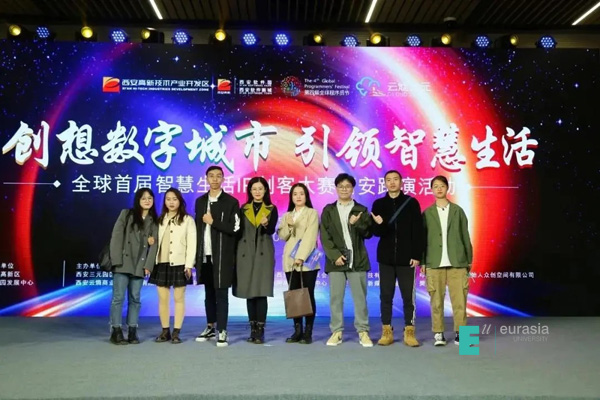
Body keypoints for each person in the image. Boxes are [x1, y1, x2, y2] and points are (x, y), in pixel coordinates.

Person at [320, 173, 374, 347]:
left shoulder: (361, 209)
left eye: (348, 186)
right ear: (336, 188)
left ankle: (363, 331)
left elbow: (368, 233)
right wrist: (335, 255)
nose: (344, 189)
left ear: (353, 189)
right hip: (336, 261)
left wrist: (356, 224)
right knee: (336, 298)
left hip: (357, 260)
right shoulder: (329, 210)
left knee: (360, 298)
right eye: (341, 186)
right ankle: (337, 332)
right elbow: (325, 236)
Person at [371, 170, 424, 347]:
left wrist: (416, 255)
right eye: (388, 180)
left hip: (407, 258)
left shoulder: (411, 203)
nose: (392, 182)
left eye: (395, 179)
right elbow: (376, 232)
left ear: (401, 182)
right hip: (385, 258)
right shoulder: (379, 204)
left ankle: (409, 330)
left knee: (408, 296)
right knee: (386, 295)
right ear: (385, 183)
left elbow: (418, 231)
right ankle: (387, 330)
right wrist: (380, 224)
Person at [422, 175, 473, 346]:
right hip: (434, 262)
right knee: (436, 301)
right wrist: (423, 262)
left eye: (442, 186)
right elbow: (422, 240)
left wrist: (468, 259)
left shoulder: (458, 211)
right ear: (431, 190)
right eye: (435, 186)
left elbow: (465, 235)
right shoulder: (427, 213)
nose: (439, 189)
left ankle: (462, 335)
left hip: (457, 262)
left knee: (460, 300)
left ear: (447, 188)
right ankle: (439, 334)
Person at [194, 166, 240, 347]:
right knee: (209, 293)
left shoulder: (231, 202)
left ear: (223, 179)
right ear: (206, 178)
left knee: (221, 293)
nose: (214, 179)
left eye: (218, 176)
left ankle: (222, 329)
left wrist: (214, 222)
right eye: (211, 176)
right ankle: (210, 326)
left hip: (222, 255)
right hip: (204, 255)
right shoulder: (200, 201)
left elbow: (235, 228)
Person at [109, 188, 159, 345]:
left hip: (140, 264)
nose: (147, 201)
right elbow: (116, 236)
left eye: (150, 198)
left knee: (135, 298)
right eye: (143, 198)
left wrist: (148, 265)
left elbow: (155, 245)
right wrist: (116, 260)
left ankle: (132, 330)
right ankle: (116, 330)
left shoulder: (154, 220)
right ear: (138, 200)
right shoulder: (126, 214)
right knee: (118, 297)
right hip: (123, 262)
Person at [148, 188, 197, 344]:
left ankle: (176, 331)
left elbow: (192, 244)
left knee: (178, 298)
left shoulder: (188, 220)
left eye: (174, 199)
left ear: (180, 201)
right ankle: (165, 331)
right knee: (163, 299)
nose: (171, 202)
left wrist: (189, 265)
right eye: (168, 199)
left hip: (180, 263)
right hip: (161, 263)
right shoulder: (159, 220)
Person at [234, 176, 278, 344]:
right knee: (249, 292)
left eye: (260, 188)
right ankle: (252, 328)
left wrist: (266, 223)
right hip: (245, 253)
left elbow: (271, 230)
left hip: (263, 252)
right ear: (250, 191)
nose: (257, 192)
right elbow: (238, 231)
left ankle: (260, 329)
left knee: (261, 291)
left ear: (265, 190)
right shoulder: (243, 208)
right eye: (254, 189)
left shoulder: (271, 208)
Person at [277, 183, 319, 344]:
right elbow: (283, 236)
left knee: (307, 295)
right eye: (295, 194)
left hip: (307, 260)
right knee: (294, 296)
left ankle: (308, 331)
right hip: (290, 261)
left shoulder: (312, 213)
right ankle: (297, 330)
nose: (298, 196)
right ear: (291, 197)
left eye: (301, 193)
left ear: (306, 196)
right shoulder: (287, 215)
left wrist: (301, 257)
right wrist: (288, 225)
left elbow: (310, 236)